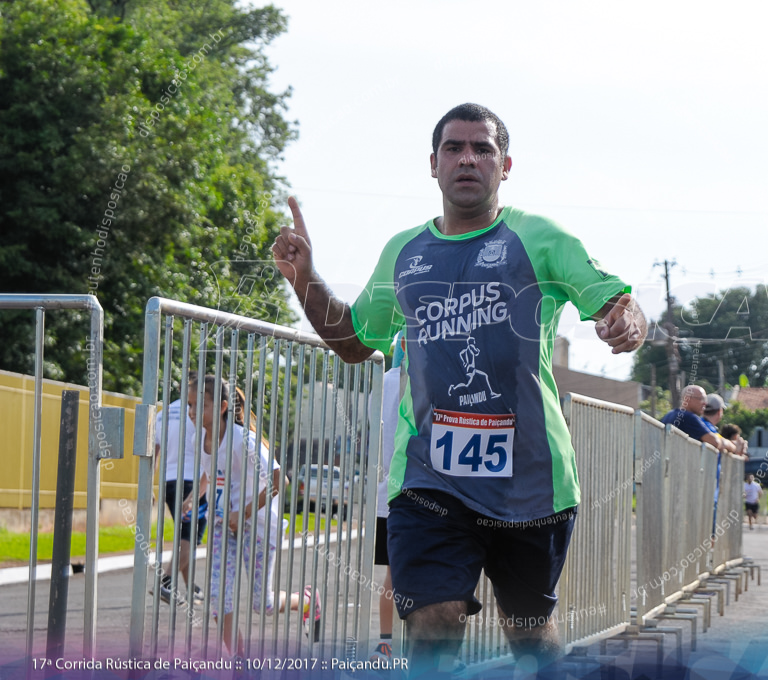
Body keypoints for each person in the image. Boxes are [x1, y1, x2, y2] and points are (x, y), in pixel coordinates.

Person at [271, 103, 646, 675]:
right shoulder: (405, 252)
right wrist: (306, 280)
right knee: (432, 620)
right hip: (430, 482)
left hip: (530, 484)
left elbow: (616, 301)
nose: (467, 158)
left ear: (505, 165)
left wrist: (626, 321)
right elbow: (354, 341)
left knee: (529, 633)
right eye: (454, 148)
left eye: (482, 149)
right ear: (433, 165)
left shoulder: (540, 238)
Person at [182, 375, 318, 655]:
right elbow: (211, 469)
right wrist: (195, 494)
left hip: (257, 526)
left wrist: (243, 513)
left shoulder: (243, 440)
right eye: (190, 406)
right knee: (218, 598)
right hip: (223, 525)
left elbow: (281, 481)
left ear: (221, 407)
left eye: (200, 406)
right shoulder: (199, 437)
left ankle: (306, 601)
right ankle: (241, 661)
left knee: (263, 604)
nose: (193, 413)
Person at [153, 372, 207, 606]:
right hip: (193, 482)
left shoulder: (163, 413)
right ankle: (165, 583)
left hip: (168, 482)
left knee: (185, 538)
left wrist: (150, 485)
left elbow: (154, 452)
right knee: (189, 538)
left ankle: (189, 588)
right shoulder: (197, 414)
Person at [371, 333, 404, 663]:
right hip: (422, 490)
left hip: (388, 492)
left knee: (393, 575)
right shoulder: (433, 374)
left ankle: (385, 645)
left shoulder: (384, 381)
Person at [661, 386, 742, 454]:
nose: (705, 403)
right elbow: (715, 442)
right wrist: (733, 447)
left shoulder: (669, 414)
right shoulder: (689, 417)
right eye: (701, 399)